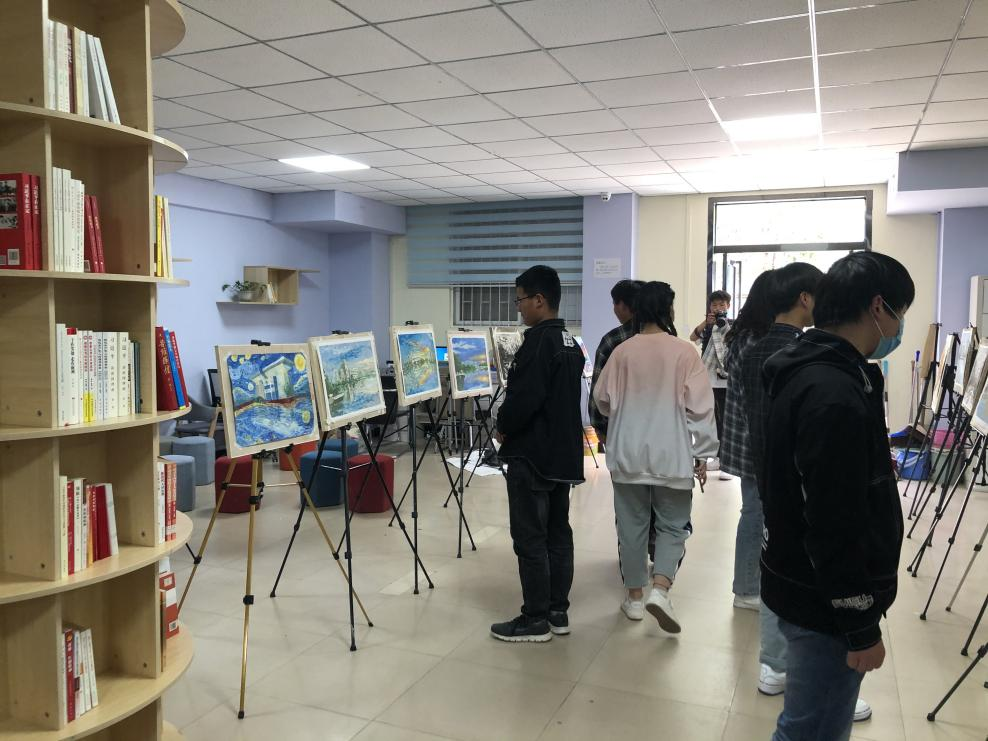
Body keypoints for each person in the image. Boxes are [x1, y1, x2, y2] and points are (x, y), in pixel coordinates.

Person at [762, 252, 914, 740]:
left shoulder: (817, 371)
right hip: (824, 601)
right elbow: (832, 520)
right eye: (900, 313)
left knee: (810, 723)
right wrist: (860, 625)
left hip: (803, 582)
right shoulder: (833, 392)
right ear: (878, 307)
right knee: (812, 731)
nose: (898, 326)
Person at [734, 263, 878, 720]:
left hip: (765, 466)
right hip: (797, 476)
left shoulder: (750, 347)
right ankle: (798, 672)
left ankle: (775, 663)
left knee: (774, 560)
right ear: (804, 298)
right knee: (801, 570)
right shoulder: (804, 355)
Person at [593, 281, 718, 633]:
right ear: (667, 310)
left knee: (631, 526)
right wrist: (703, 453)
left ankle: (634, 598)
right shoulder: (684, 352)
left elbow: (602, 400)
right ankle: (660, 589)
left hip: (627, 453)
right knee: (673, 525)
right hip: (671, 454)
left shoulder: (623, 352)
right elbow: (701, 409)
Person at [491, 264, 586, 643]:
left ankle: (534, 619)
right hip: (562, 455)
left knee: (530, 537)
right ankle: (557, 611)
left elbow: (524, 399)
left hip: (532, 455)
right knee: (558, 534)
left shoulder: (537, 343)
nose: (518, 308)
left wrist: (503, 424)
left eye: (520, 300)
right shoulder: (569, 343)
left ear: (539, 300)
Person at [587, 279, 657, 570]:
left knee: (628, 503)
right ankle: (659, 553)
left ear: (625, 305)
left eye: (615, 303)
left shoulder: (613, 341)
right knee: (658, 498)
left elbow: (598, 394)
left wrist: (601, 430)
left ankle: (631, 561)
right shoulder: (667, 340)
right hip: (660, 436)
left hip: (622, 435)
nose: (614, 309)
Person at [720, 269, 778, 614]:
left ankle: (752, 583)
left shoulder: (746, 335)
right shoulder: (758, 340)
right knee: (755, 512)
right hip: (753, 439)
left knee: (755, 511)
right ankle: (745, 589)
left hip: (746, 437)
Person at [690, 290, 732, 479]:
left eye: (722, 305)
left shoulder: (733, 325)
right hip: (708, 378)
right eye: (714, 305)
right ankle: (716, 457)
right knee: (710, 419)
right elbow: (693, 338)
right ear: (710, 307)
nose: (718, 308)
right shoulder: (707, 326)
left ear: (728, 306)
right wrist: (706, 323)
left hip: (725, 379)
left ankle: (726, 462)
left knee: (725, 420)